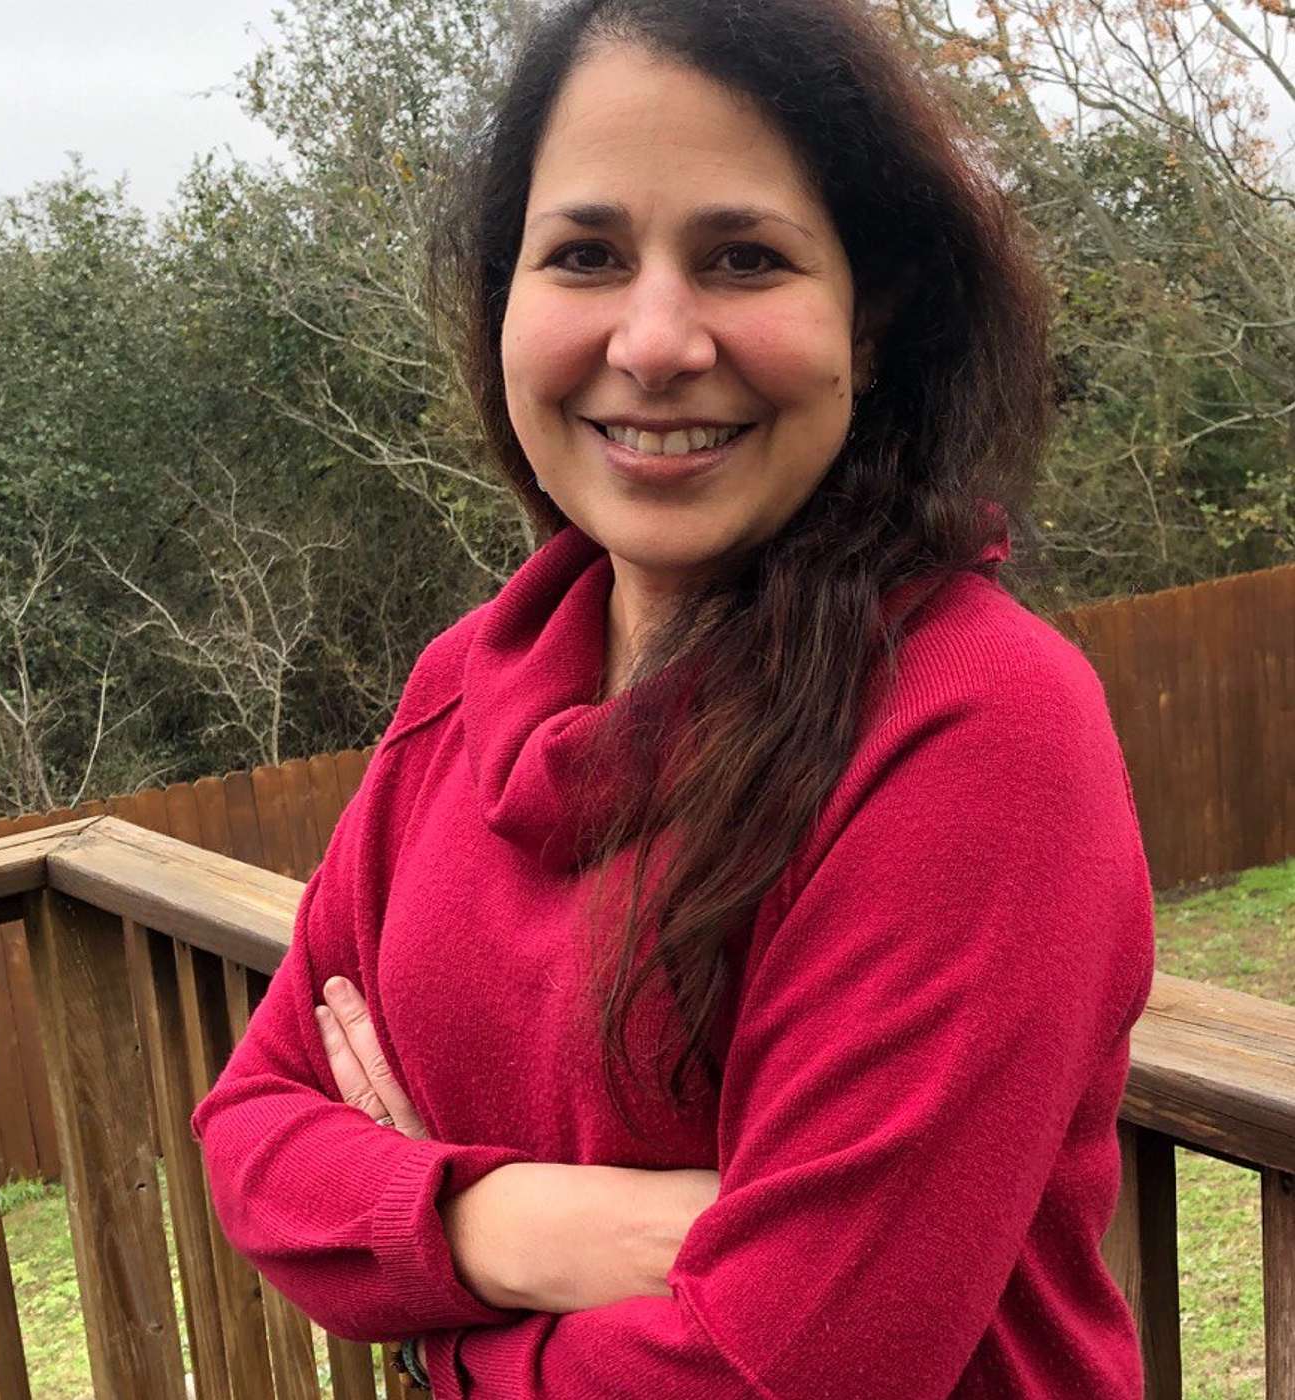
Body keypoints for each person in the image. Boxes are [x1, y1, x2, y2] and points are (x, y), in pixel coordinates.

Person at [189, 0, 1156, 1394]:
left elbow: (796, 1371)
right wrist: (498, 1226)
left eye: (744, 257)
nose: (653, 343)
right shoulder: (465, 688)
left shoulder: (976, 725)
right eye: (584, 254)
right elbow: (254, 1135)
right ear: (504, 300)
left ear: (874, 315)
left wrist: (424, 1317)